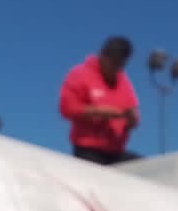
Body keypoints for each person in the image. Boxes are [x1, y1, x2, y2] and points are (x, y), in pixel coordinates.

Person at [58, 36, 141, 164]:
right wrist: (98, 111)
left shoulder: (123, 81)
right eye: (113, 63)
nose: (116, 69)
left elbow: (133, 115)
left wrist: (132, 119)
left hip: (116, 151)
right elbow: (66, 108)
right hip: (88, 150)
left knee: (146, 167)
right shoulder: (80, 74)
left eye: (120, 65)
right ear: (103, 56)